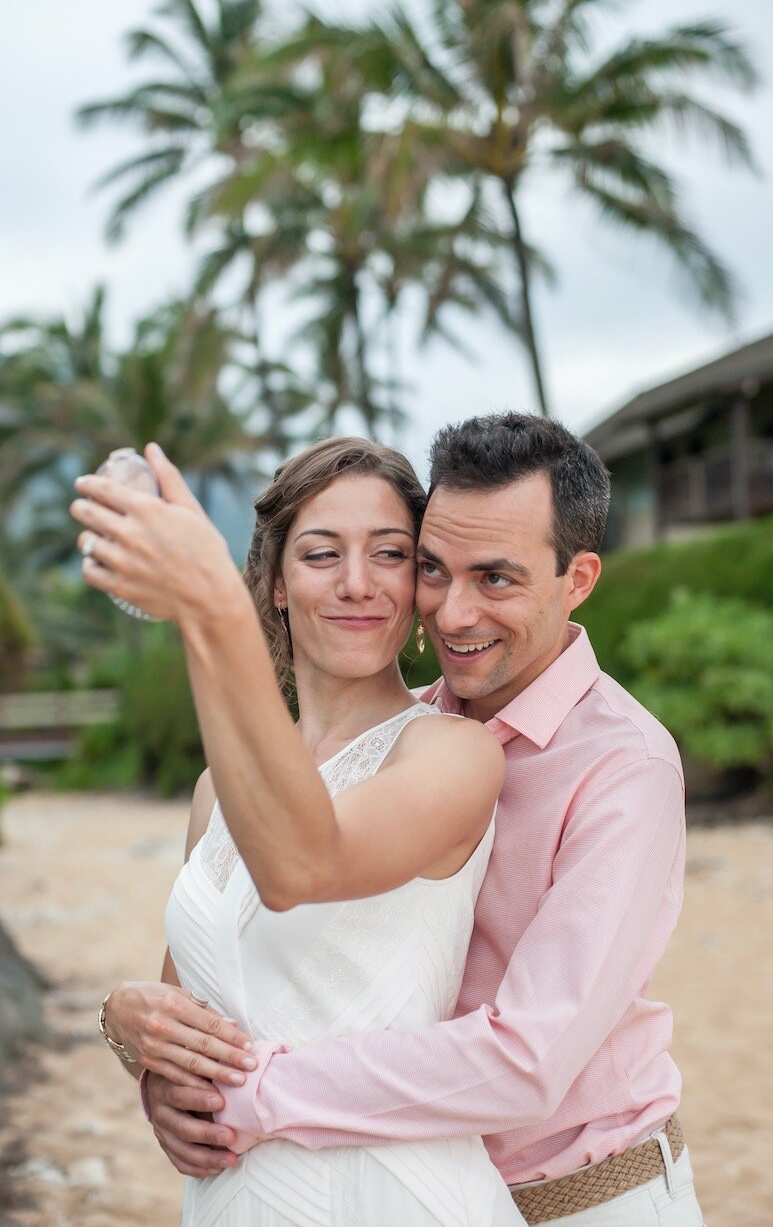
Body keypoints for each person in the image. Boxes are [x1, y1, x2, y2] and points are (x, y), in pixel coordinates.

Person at [73, 412, 705, 1225]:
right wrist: (137, 1037)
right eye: (435, 570)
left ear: (576, 579)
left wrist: (253, 1093)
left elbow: (524, 1061)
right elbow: (228, 985)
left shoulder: (622, 765)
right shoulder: (399, 730)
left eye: (497, 579)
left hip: (586, 1195)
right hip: (342, 1168)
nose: (453, 613)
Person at [73, 436, 526, 1227]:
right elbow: (199, 1016)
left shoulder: (453, 754)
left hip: (390, 1196)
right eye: (321, 555)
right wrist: (128, 1028)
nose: (357, 584)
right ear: (276, 585)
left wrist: (210, 610)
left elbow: (303, 863)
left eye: (390, 554)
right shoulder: (216, 796)